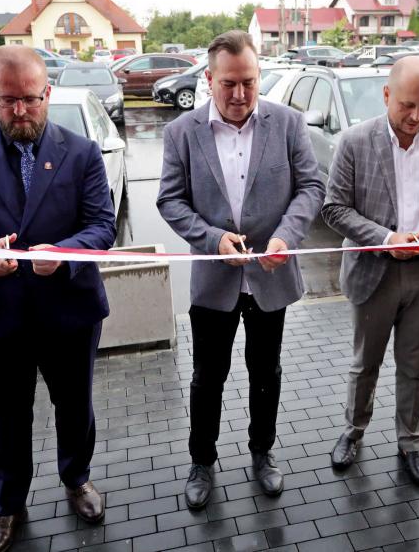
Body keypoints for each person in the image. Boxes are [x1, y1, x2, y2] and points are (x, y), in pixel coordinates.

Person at [0, 45, 116, 552]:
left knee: (74, 406)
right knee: (7, 418)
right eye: (7, 100)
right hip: (0, 314)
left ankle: (77, 480)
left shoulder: (82, 151)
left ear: (47, 93)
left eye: (31, 99)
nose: (20, 111)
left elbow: (102, 226)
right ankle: (9, 506)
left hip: (70, 311)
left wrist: (66, 253)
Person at [157, 30, 324, 509]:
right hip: (215, 281)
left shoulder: (288, 123)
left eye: (248, 82)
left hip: (270, 274)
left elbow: (311, 187)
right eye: (228, 83)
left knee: (266, 371)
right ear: (209, 80)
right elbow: (170, 199)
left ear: (258, 76)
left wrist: (286, 236)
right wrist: (212, 238)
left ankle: (262, 452)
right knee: (207, 376)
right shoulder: (181, 132)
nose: (239, 94)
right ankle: (202, 460)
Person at [322, 56, 419, 485]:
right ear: (387, 94)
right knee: (365, 364)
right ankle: (353, 430)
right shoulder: (354, 141)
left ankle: (411, 442)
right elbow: (334, 209)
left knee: (415, 367)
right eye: (407, 105)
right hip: (374, 271)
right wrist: (387, 238)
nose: (416, 117)